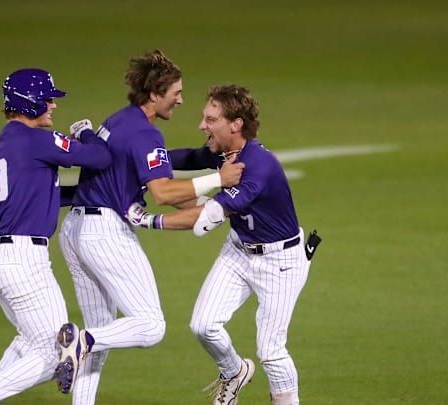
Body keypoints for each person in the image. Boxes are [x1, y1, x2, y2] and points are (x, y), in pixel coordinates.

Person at [52, 50, 245, 405]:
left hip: (75, 231)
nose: (182, 99)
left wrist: (213, 207)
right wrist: (218, 178)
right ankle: (81, 340)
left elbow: (164, 179)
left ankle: (84, 351)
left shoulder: (121, 120)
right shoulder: (144, 134)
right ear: (155, 94)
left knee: (105, 335)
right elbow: (163, 192)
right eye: (177, 92)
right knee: (150, 326)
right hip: (105, 234)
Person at [127, 84, 318, 405]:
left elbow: (209, 213)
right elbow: (185, 157)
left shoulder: (257, 166)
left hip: (281, 262)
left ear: (236, 124)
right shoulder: (224, 154)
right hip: (239, 248)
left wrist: (148, 220)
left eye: (211, 119)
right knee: (203, 326)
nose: (202, 125)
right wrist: (140, 159)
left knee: (271, 351)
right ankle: (234, 371)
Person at [0, 68, 112, 405]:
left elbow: (40, 194)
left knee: (29, 340)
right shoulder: (37, 140)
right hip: (22, 260)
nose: (53, 105)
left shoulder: (5, 141)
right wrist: (88, 134)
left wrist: (97, 196)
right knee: (54, 355)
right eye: (48, 99)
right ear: (29, 102)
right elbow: (99, 158)